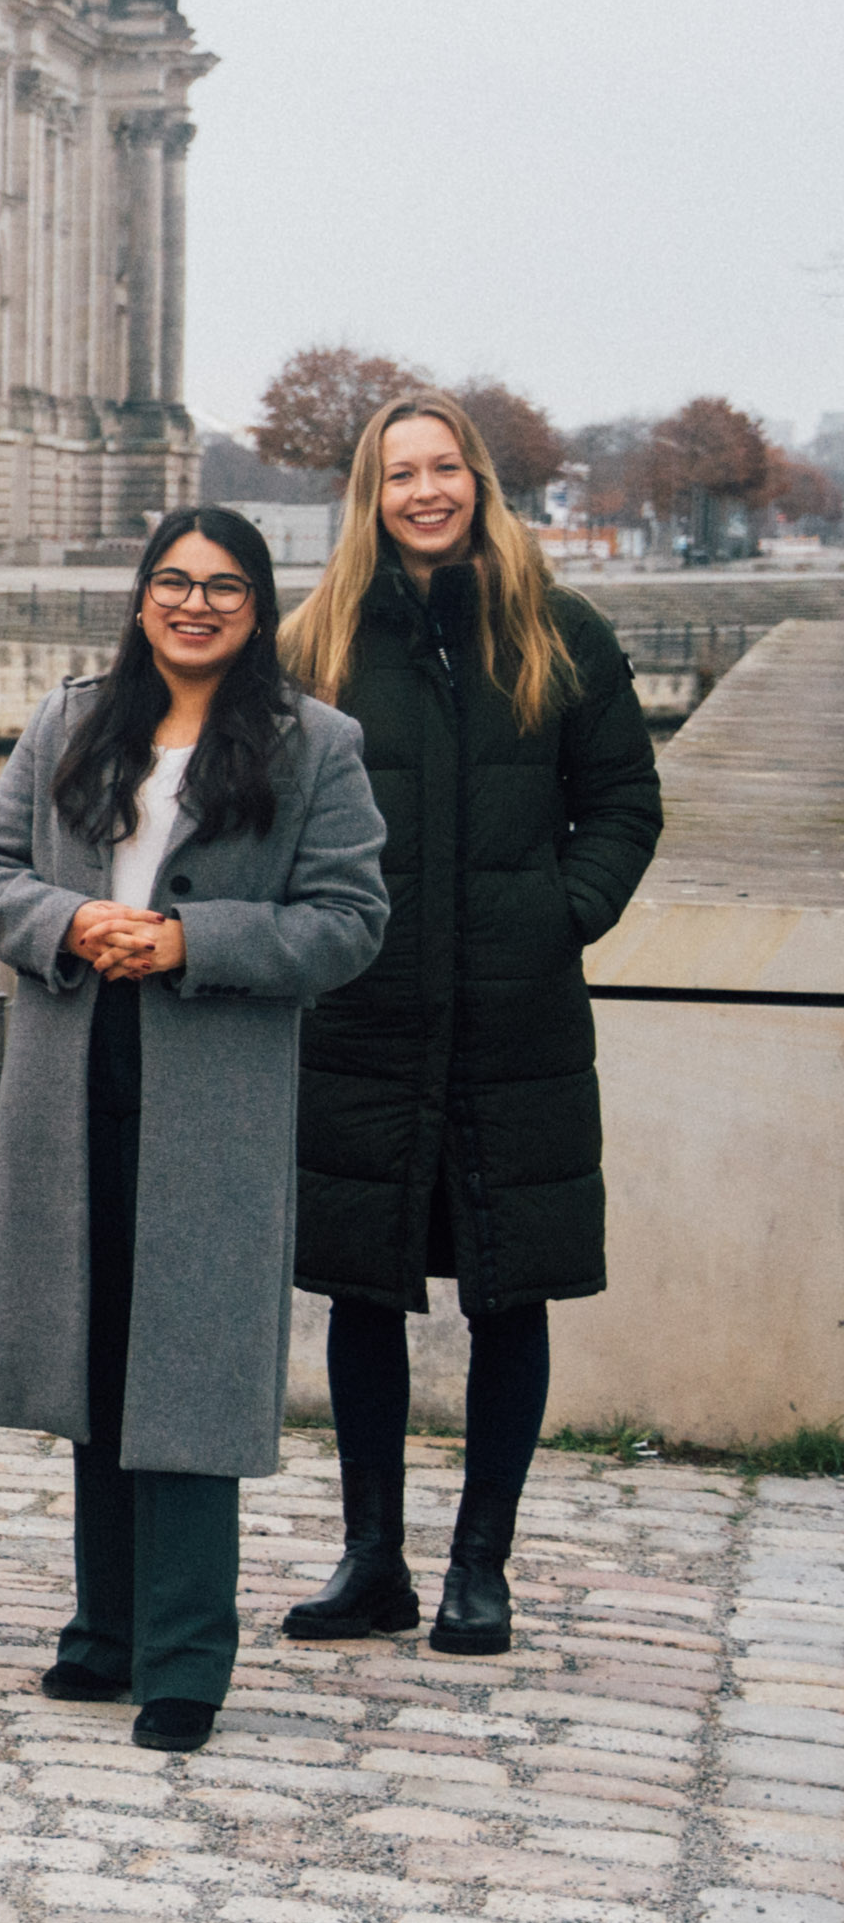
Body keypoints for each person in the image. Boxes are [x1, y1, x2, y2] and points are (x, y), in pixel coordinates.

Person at [0, 509, 389, 1749]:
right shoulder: (68, 717)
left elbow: (350, 919)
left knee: (183, 1366)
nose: (194, 606)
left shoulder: (316, 744)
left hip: (212, 1090)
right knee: (92, 1352)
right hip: (74, 1066)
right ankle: (105, 1629)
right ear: (141, 594)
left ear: (257, 608)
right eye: (173, 583)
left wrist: (198, 940)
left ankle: (185, 1654)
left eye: (225, 589)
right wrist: (68, 923)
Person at [277, 390, 664, 1657]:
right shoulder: (315, 643)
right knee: (360, 1288)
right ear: (368, 494)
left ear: (477, 483)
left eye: (443, 468)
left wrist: (559, 914)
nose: (424, 492)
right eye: (399, 475)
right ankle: (370, 1556)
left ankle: (478, 1565)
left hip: (515, 1012)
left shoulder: (561, 632)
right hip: (362, 1011)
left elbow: (620, 800)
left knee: (512, 1292)